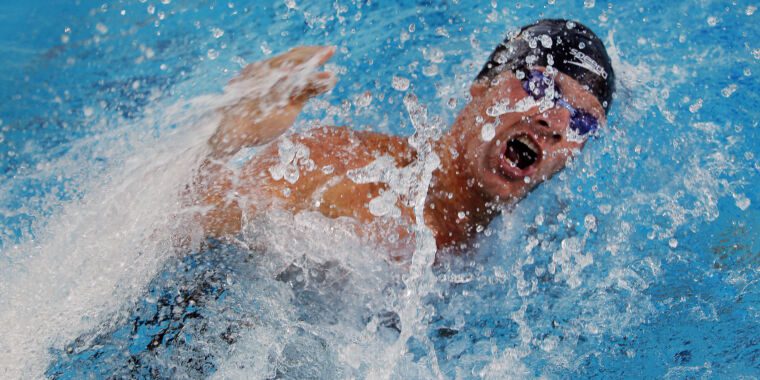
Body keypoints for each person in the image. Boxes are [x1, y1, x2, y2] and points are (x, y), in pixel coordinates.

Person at [191, 19, 615, 256]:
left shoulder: (532, 254)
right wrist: (226, 140)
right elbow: (184, 229)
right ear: (482, 85)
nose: (556, 123)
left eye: (583, 121)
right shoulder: (339, 168)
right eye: (540, 87)